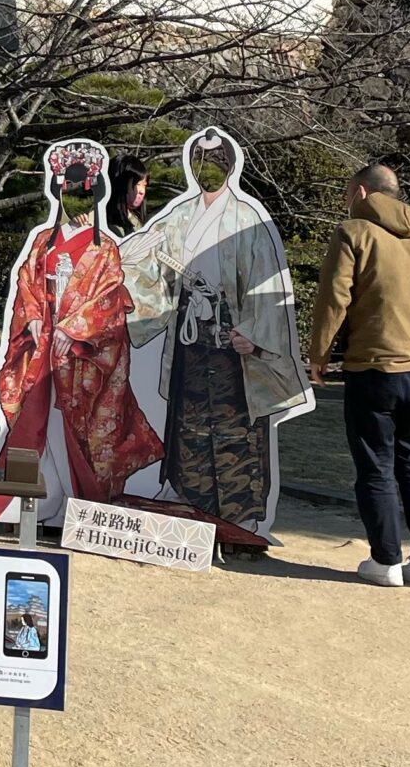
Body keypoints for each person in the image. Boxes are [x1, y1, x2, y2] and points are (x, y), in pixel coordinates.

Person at [119, 129, 312, 539]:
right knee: (188, 421)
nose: (208, 171)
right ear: (192, 167)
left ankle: (238, 514)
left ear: (230, 166)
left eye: (216, 162)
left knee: (234, 422)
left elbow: (266, 286)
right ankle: (190, 499)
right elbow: (153, 272)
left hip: (233, 340)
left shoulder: (248, 219)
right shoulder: (179, 217)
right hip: (191, 337)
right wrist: (125, 263)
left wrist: (255, 334)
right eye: (201, 162)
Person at [0, 138, 162, 528]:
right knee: (34, 420)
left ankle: (71, 501)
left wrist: (73, 331)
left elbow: (109, 298)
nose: (75, 200)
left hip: (78, 351)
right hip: (43, 344)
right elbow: (29, 282)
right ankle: (35, 501)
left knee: (73, 426)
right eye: (69, 192)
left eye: (83, 193)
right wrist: (36, 319)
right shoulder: (43, 240)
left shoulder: (105, 247)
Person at [308, 163, 410, 589]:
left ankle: (386, 560)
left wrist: (318, 353)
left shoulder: (353, 233)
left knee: (375, 464)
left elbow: (333, 299)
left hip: (373, 367)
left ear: (360, 193)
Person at [105, 154, 150, 237]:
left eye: (144, 185)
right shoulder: (98, 218)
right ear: (121, 185)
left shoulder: (138, 217)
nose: (142, 191)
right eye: (138, 184)